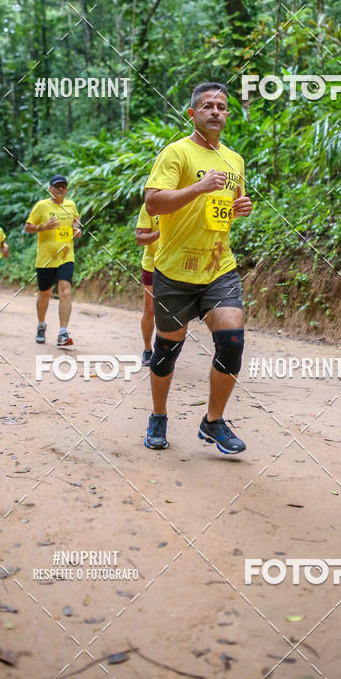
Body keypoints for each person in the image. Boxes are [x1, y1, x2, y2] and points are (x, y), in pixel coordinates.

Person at [143, 82, 252, 455]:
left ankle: (213, 421)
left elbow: (225, 208)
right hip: (175, 271)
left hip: (218, 267)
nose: (216, 111)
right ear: (192, 114)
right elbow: (154, 203)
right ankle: (158, 415)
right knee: (166, 351)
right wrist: (199, 187)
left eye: (221, 106)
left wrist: (239, 209)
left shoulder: (235, 160)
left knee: (232, 341)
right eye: (207, 106)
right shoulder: (176, 153)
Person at [25, 174, 81, 347]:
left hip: (66, 256)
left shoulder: (71, 205)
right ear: (50, 189)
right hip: (46, 259)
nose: (60, 189)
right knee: (45, 294)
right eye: (57, 186)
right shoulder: (41, 206)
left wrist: (77, 230)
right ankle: (41, 325)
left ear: (67, 189)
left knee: (65, 292)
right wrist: (44, 227)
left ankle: (63, 333)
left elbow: (76, 223)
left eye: (63, 186)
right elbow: (28, 227)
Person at [135, 204, 160, 366]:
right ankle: (147, 349)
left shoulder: (184, 201)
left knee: (170, 310)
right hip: (152, 264)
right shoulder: (150, 206)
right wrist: (161, 232)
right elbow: (140, 238)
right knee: (150, 308)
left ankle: (164, 350)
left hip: (175, 265)